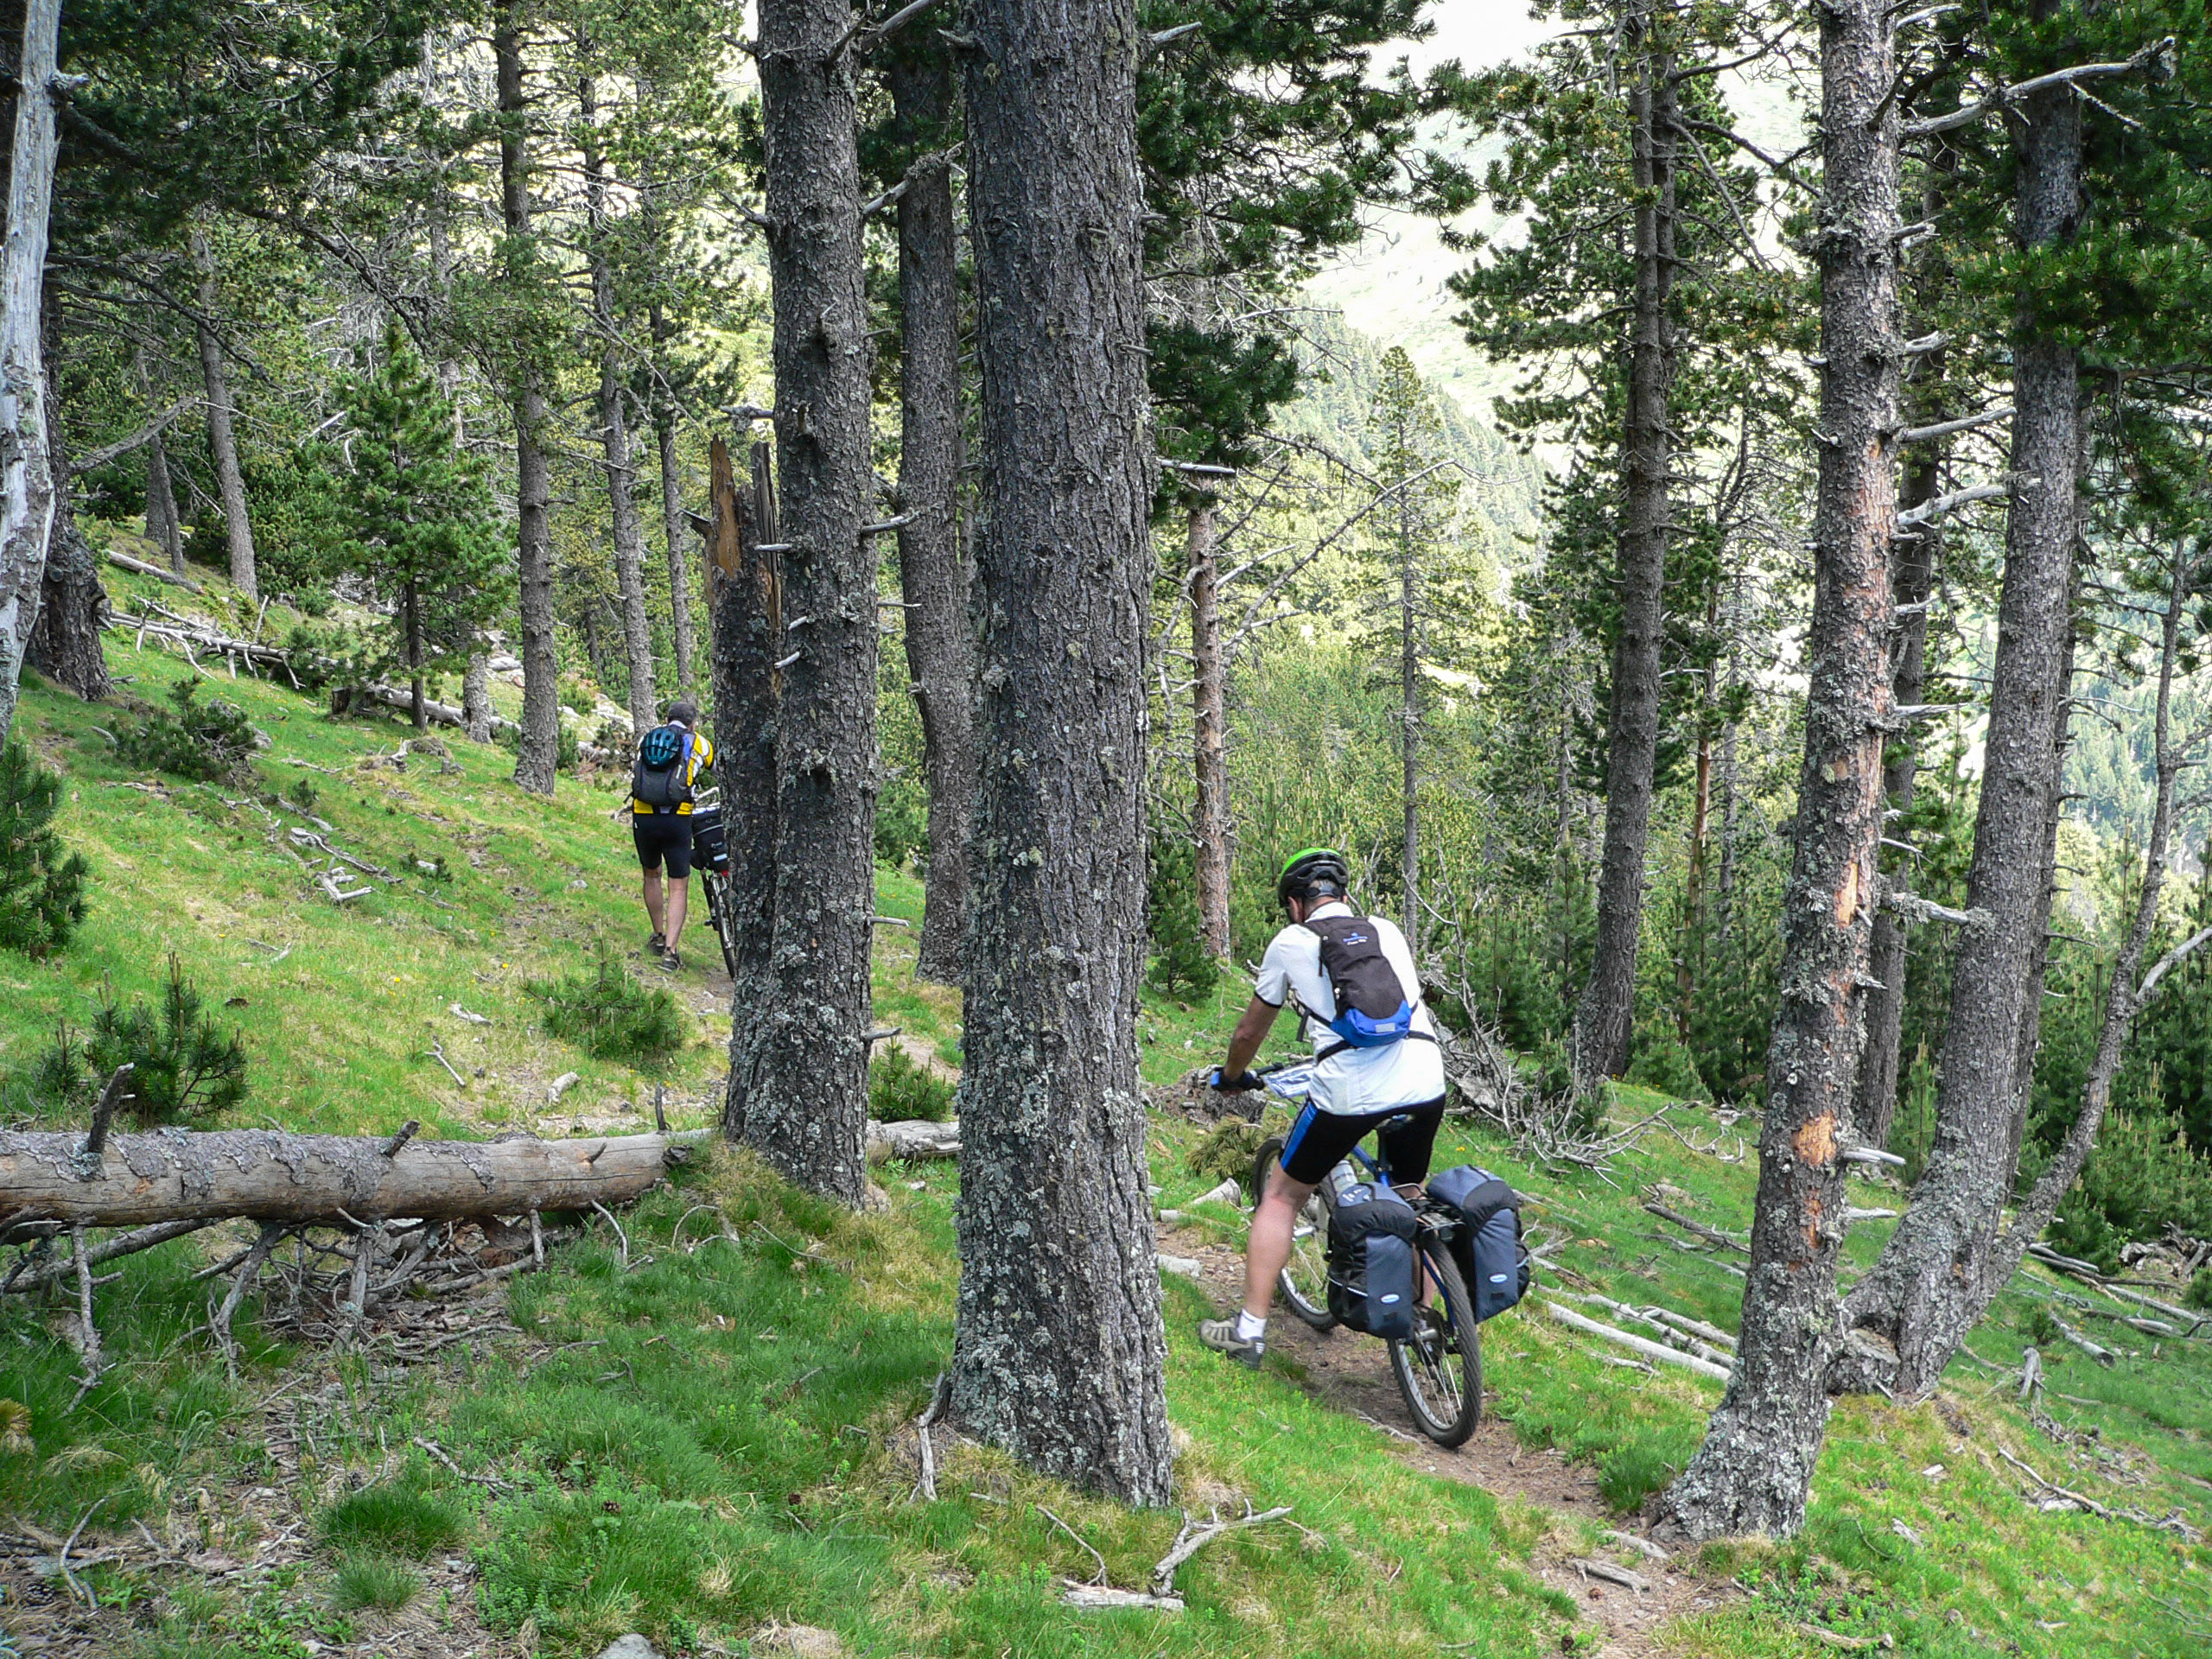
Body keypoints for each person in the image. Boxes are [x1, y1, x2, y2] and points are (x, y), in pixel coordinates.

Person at [1197, 847, 1446, 1369]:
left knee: (1282, 1195)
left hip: (1349, 1092)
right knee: (1410, 1191)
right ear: (1345, 894)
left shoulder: (1291, 942)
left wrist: (1232, 1077)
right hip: (1425, 1080)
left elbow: (1249, 1032)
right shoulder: (1386, 930)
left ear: (1294, 904)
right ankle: (1424, 1320)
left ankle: (1248, 1332)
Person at [629, 700, 714, 969]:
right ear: (693, 723)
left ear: (667, 720)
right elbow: (717, 768)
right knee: (678, 885)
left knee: (651, 874)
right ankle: (671, 952)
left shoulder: (647, 739)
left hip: (643, 816)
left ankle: (657, 935)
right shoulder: (699, 742)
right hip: (678, 818)